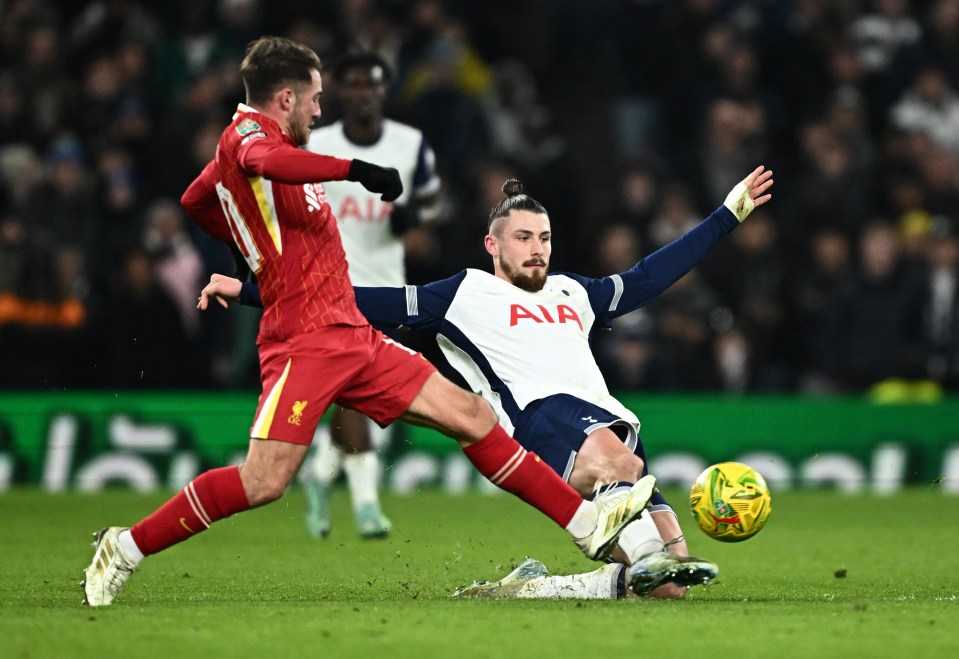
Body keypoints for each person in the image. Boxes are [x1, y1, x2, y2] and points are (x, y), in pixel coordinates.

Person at [81, 36, 655, 608]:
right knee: (263, 482)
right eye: (314, 99)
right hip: (303, 341)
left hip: (351, 332)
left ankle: (586, 524)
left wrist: (248, 241)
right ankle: (125, 546)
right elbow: (256, 162)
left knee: (475, 416)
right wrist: (353, 169)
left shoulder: (260, 154)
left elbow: (196, 199)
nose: (319, 109)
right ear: (285, 97)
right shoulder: (248, 138)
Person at [199, 164, 774, 599]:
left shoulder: (574, 293)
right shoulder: (461, 293)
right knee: (624, 480)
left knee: (667, 584)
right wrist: (248, 290)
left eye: (544, 238)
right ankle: (643, 553)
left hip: (609, 424)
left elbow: (650, 275)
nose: (537, 250)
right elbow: (352, 301)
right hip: (538, 421)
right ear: (493, 245)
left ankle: (533, 588)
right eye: (523, 238)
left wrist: (728, 214)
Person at [301, 51, 444, 540]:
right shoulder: (316, 146)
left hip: (389, 291)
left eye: (373, 83)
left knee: (364, 399)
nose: (364, 91)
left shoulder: (410, 144)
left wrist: (415, 219)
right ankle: (366, 505)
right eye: (355, 83)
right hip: (330, 289)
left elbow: (432, 201)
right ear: (339, 91)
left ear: (384, 91)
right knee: (355, 395)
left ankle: (320, 475)